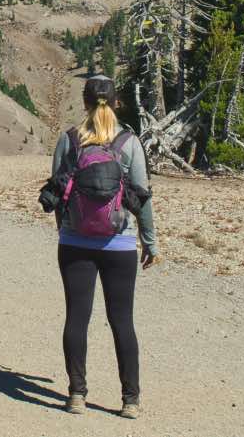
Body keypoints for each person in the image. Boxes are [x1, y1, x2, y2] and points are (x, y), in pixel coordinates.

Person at [49, 74, 157, 419]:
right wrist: (149, 240)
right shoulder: (129, 142)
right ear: (116, 102)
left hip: (75, 242)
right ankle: (130, 400)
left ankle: (77, 395)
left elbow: (58, 192)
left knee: (76, 319)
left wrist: (67, 230)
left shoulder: (69, 140)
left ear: (84, 102)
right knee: (122, 321)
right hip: (119, 243)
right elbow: (141, 197)